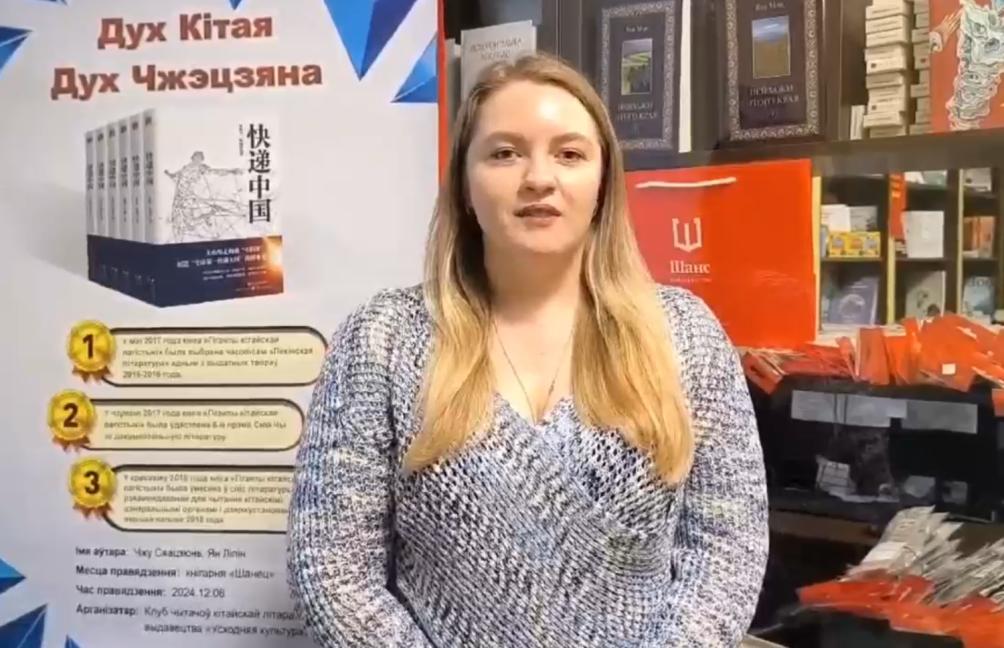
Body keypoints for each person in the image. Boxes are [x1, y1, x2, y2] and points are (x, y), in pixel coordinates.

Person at [287, 52, 769, 647]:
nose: (539, 178)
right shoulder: (383, 338)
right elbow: (331, 571)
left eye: (569, 154)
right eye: (505, 153)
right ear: (465, 185)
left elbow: (727, 553)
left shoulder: (683, 334)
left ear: (602, 184)